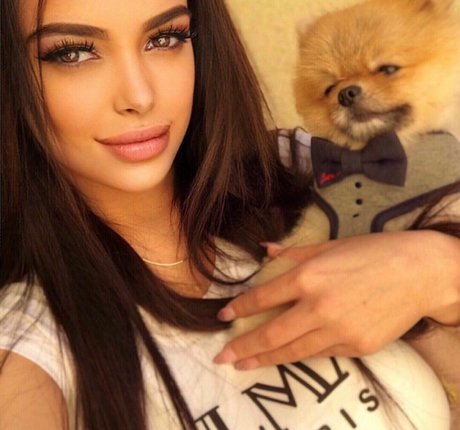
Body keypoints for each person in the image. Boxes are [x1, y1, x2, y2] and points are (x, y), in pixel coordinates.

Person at [0, 0, 459, 429]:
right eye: (72, 53)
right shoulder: (28, 338)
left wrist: (436, 271)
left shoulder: (306, 167)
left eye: (164, 38)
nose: (139, 96)